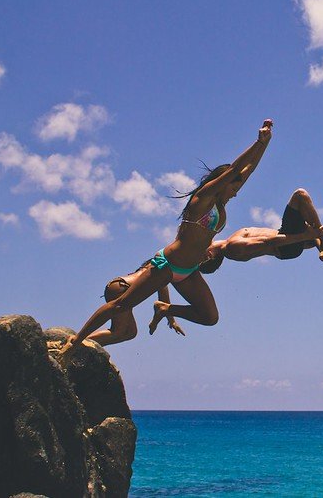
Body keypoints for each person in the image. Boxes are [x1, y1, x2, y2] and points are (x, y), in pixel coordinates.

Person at [60, 119, 274, 362]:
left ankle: (164, 309)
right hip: (167, 266)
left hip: (189, 271)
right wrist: (257, 142)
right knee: (120, 306)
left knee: (209, 316)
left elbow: (247, 171)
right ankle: (75, 342)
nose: (236, 191)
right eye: (233, 187)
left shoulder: (221, 204)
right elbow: (236, 170)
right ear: (222, 183)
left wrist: (266, 144)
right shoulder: (201, 200)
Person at [197, 188, 323, 275]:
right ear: (209, 255)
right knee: (300, 196)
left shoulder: (230, 245)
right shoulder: (232, 247)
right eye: (198, 252)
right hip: (284, 244)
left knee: (307, 222)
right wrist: (304, 236)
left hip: (287, 243)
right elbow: (269, 242)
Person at [89, 260, 186, 346]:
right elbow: (164, 301)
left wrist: (171, 321)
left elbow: (163, 303)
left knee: (130, 332)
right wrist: (172, 321)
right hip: (122, 288)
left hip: (117, 285)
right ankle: (81, 342)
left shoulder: (152, 267)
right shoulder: (162, 269)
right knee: (118, 331)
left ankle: (93, 348)